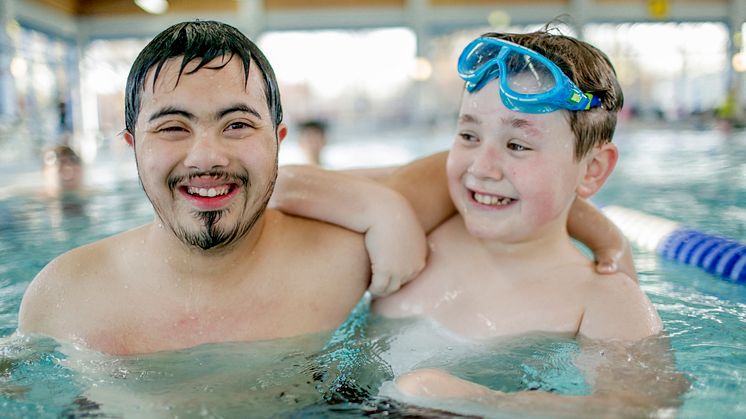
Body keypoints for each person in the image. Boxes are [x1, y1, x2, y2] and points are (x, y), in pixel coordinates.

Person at [17, 20, 629, 357]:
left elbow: (495, 172)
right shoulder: (64, 296)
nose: (206, 156)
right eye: (173, 127)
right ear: (130, 146)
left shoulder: (340, 253)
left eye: (237, 125)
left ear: (278, 141)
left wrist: (603, 233)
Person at [273, 29, 687, 415]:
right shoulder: (428, 222)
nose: (482, 167)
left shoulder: (602, 300)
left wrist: (480, 401)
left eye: (518, 144)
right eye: (468, 136)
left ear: (593, 169)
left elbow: (639, 405)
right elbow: (281, 185)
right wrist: (386, 210)